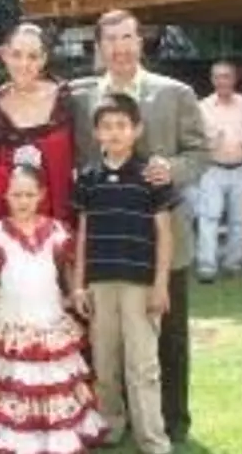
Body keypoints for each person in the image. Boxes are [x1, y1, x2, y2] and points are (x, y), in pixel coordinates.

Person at [69, 9, 205, 444]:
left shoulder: (176, 93)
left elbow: (200, 153)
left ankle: (172, 422)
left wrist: (173, 169)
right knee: (110, 344)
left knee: (169, 336)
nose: (120, 47)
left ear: (140, 41)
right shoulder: (79, 98)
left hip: (164, 237)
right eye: (110, 40)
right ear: (99, 47)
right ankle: (117, 419)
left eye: (127, 37)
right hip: (108, 244)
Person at [0, 164, 106, 453]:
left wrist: (73, 294)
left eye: (29, 195)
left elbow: (68, 270)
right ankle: (17, 432)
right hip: (13, 320)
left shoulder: (57, 231)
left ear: (41, 194)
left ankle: (56, 431)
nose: (23, 201)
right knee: (17, 376)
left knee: (53, 376)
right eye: (17, 195)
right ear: (5, 195)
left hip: (49, 318)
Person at [71, 93, 175, 454]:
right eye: (107, 126)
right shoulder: (88, 177)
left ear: (137, 130)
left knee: (142, 365)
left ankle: (152, 438)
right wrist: (78, 284)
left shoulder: (152, 175)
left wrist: (161, 284)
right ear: (96, 132)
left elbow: (165, 233)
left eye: (122, 126)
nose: (114, 133)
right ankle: (111, 425)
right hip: (100, 283)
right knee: (105, 362)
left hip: (140, 285)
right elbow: (82, 234)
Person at [0, 22, 75, 226]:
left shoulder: (64, 97)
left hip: (58, 216)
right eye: (16, 55)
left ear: (44, 59)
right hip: (11, 218)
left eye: (33, 56)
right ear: (4, 55)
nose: (24, 64)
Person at [195, 60, 242, 282]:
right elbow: (196, 142)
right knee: (209, 218)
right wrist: (213, 140)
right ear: (212, 80)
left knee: (240, 220)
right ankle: (207, 267)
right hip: (212, 169)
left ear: (234, 79)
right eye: (217, 77)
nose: (222, 81)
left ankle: (233, 264)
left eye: (226, 76)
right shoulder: (202, 107)